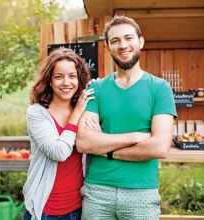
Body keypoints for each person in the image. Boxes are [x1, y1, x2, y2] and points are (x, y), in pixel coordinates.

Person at [76, 15, 177, 220]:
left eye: (128, 38)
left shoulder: (159, 88)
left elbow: (159, 147)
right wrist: (135, 136)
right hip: (97, 192)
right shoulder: (96, 88)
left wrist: (106, 149)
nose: (123, 45)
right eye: (115, 40)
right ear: (108, 46)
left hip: (141, 193)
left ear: (140, 41)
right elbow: (84, 142)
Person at [22, 48, 94, 220]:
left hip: (77, 208)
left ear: (79, 79)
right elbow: (59, 152)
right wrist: (76, 114)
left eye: (72, 76)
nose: (66, 82)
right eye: (59, 76)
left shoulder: (86, 110)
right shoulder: (37, 113)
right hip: (45, 209)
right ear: (50, 81)